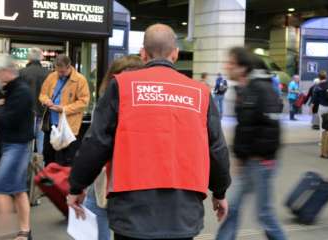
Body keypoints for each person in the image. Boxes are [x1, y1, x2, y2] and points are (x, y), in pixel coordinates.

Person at [67, 23, 231, 240]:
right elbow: (217, 148)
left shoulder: (122, 87)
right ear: (175, 54)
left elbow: (97, 142)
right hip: (182, 210)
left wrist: (77, 185)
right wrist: (219, 192)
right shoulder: (200, 93)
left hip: (132, 209)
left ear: (143, 54)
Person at [216, 47, 286, 240]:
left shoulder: (262, 88)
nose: (226, 66)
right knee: (233, 206)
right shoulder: (245, 88)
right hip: (248, 161)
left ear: (242, 67)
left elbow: (272, 128)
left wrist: (257, 155)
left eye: (230, 63)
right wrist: (240, 156)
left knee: (264, 214)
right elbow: (245, 128)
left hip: (261, 162)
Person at [85, 55, 144, 240]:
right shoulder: (105, 104)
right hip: (105, 174)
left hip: (126, 177)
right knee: (95, 211)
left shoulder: (113, 104)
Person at [0, 55, 34, 240]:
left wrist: (0, 108)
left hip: (17, 145)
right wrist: (1, 105)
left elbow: (8, 119)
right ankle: (25, 231)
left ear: (7, 71)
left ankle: (4, 230)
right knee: (18, 189)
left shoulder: (20, 91)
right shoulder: (12, 89)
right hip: (13, 144)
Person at [39, 54, 90, 166]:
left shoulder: (80, 80)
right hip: (51, 125)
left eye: (62, 72)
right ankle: (49, 181)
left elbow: (84, 102)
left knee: (65, 160)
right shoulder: (52, 76)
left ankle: (63, 182)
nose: (60, 74)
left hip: (68, 127)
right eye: (58, 71)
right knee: (48, 156)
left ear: (69, 66)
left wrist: (64, 109)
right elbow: (42, 94)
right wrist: (46, 100)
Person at [19, 48, 49, 154]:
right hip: (43, 110)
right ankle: (40, 166)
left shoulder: (22, 72)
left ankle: (27, 167)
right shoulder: (48, 73)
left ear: (29, 58)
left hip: (26, 112)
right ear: (41, 58)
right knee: (41, 142)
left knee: (26, 143)